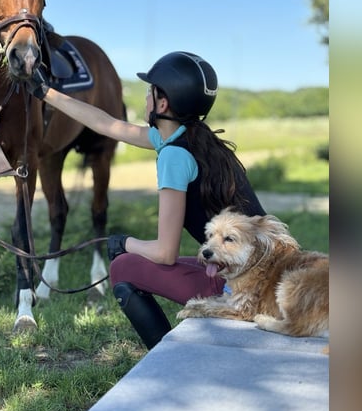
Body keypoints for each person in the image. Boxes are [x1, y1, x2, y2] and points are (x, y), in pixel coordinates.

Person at [26, 51, 266, 349]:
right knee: (147, 260)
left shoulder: (175, 156)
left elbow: (165, 252)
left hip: (244, 291)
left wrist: (123, 242)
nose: (145, 98)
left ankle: (168, 356)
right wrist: (45, 92)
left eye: (149, 92)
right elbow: (105, 124)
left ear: (163, 103)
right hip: (262, 276)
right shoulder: (192, 138)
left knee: (124, 266)